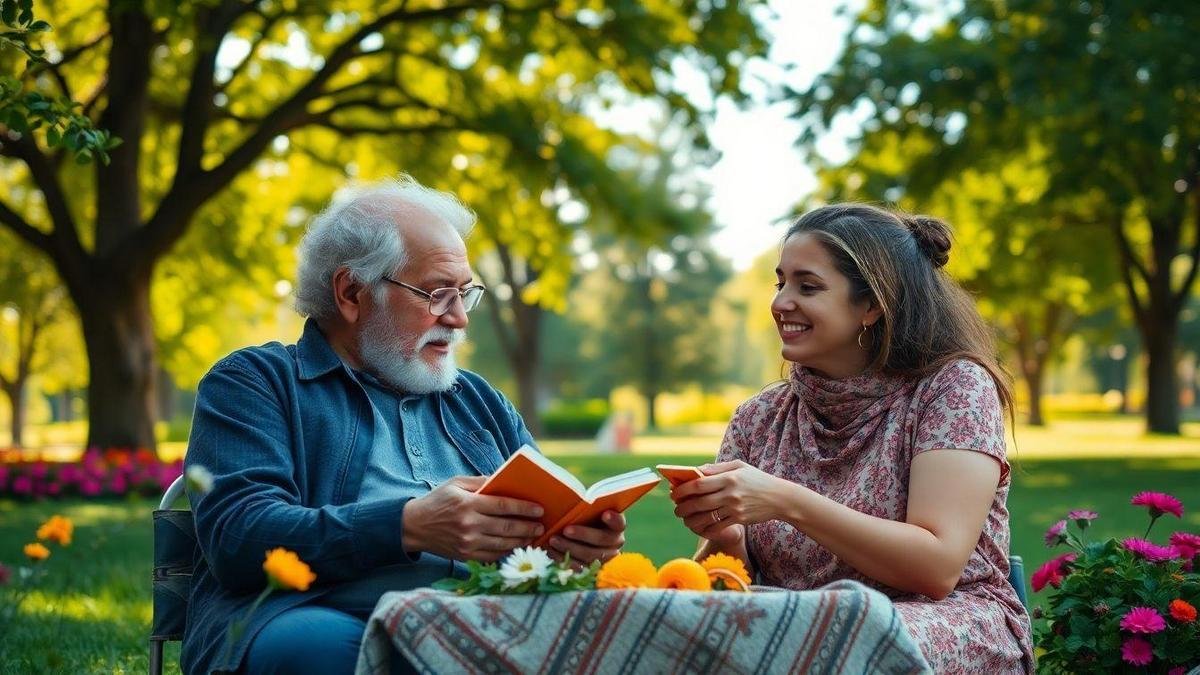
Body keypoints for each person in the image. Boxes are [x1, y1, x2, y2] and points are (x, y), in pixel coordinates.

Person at [180, 176, 626, 675]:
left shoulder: (480, 402)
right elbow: (239, 537)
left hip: (488, 620)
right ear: (351, 291)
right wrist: (407, 526)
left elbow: (547, 519)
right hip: (315, 615)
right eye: (437, 294)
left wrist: (577, 542)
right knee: (345, 651)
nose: (458, 318)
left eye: (464, 294)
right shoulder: (256, 382)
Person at [669, 204, 1033, 673]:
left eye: (808, 286)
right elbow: (725, 580)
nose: (781, 302)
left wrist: (784, 500)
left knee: (841, 641)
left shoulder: (953, 388)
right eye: (781, 283)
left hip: (947, 623)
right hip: (796, 629)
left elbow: (937, 567)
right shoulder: (759, 417)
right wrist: (726, 532)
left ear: (871, 306)